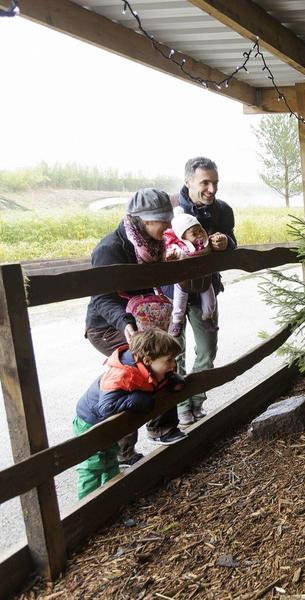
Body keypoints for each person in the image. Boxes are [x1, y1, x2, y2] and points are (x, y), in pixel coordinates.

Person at [84, 188, 185, 459]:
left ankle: (162, 427)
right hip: (109, 324)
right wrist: (126, 326)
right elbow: (102, 299)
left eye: (167, 218)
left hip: (140, 321)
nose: (167, 225)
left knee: (162, 361)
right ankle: (124, 451)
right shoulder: (110, 250)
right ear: (142, 219)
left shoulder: (153, 246)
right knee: (136, 370)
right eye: (161, 220)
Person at [73, 329, 184, 499]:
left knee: (110, 461)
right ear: (147, 360)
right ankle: (83, 511)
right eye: (169, 360)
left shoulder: (152, 367)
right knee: (93, 467)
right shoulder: (124, 374)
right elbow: (106, 407)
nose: (173, 365)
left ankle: (107, 503)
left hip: (108, 425)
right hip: (90, 422)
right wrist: (140, 399)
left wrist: (172, 379)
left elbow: (158, 379)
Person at [169, 157, 236, 427]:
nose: (212, 189)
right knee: (174, 352)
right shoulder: (170, 209)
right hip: (170, 293)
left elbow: (233, 243)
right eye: (205, 182)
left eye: (215, 183)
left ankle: (197, 399)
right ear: (188, 182)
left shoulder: (223, 211)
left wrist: (225, 243)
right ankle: (182, 406)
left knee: (208, 349)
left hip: (206, 289)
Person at [163, 208, 217, 336]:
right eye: (194, 233)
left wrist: (219, 241)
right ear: (182, 236)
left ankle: (207, 317)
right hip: (183, 282)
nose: (199, 234)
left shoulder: (207, 244)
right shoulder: (177, 248)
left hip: (204, 280)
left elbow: (218, 247)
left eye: (200, 230)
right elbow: (167, 257)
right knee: (179, 302)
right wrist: (169, 257)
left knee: (210, 301)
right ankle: (177, 321)